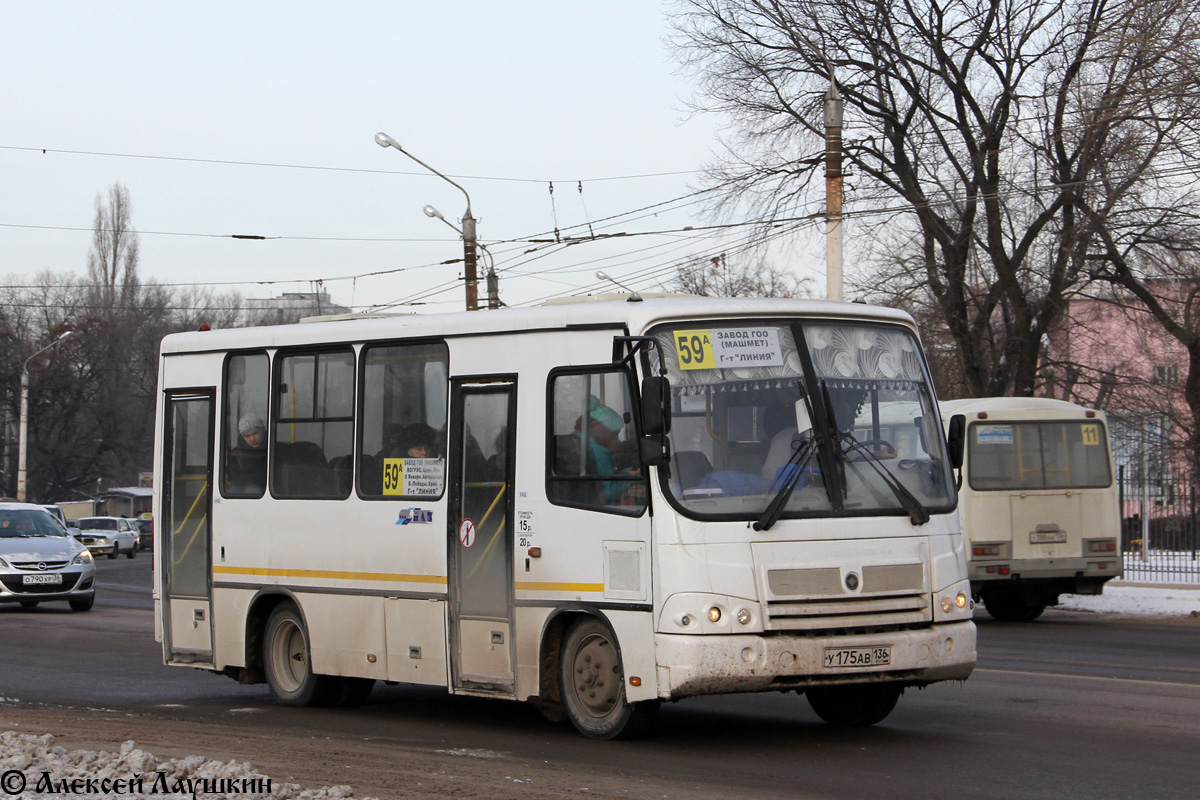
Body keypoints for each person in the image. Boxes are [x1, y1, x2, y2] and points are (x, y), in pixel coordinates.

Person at [226, 412, 267, 494]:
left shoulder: (275, 450)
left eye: (255, 433)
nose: (252, 439)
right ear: (242, 437)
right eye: (247, 436)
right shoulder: (235, 455)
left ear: (263, 431)